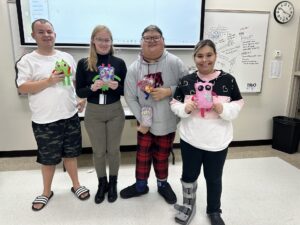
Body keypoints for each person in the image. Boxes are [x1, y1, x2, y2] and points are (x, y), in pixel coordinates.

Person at [15, 19, 90, 211]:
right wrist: (48, 81)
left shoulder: (66, 57)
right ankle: (46, 192)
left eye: (49, 31)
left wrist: (79, 100)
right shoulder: (28, 60)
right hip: (45, 120)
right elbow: (22, 87)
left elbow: (71, 84)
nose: (46, 35)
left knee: (71, 155)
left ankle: (76, 185)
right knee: (48, 160)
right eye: (41, 32)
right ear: (33, 36)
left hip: (70, 116)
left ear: (55, 34)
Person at [170, 39, 244, 225]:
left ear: (216, 56)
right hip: (191, 139)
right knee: (188, 176)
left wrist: (221, 108)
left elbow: (237, 105)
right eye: (200, 56)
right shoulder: (186, 81)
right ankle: (188, 206)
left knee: (213, 178)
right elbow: (174, 104)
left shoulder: (228, 80)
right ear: (194, 58)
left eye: (209, 55)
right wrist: (186, 108)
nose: (205, 60)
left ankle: (214, 210)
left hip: (217, 141)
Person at [121, 25, 188, 204]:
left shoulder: (175, 62)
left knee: (162, 156)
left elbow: (187, 88)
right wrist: (142, 120)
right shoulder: (134, 68)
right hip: (145, 123)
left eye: (155, 37)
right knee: (142, 156)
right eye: (147, 37)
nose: (151, 40)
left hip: (167, 121)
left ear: (163, 41)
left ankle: (163, 184)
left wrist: (169, 91)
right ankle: (140, 186)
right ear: (140, 42)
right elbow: (130, 97)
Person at [75, 25, 127, 204]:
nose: (104, 43)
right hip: (94, 112)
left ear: (111, 42)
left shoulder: (119, 63)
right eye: (100, 39)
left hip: (115, 111)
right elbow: (80, 92)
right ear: (93, 41)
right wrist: (92, 87)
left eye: (107, 40)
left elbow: (125, 91)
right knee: (98, 152)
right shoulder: (84, 63)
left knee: (113, 151)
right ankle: (102, 183)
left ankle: (113, 183)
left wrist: (116, 87)